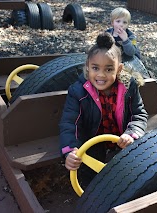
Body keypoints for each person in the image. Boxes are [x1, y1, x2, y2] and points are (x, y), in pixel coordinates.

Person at [59, 32, 148, 187]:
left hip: (121, 139)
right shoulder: (78, 91)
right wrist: (70, 150)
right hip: (92, 141)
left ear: (119, 69)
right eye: (95, 68)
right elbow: (70, 124)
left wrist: (131, 134)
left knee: (134, 168)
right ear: (88, 67)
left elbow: (138, 114)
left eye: (108, 69)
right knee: (87, 172)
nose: (101, 75)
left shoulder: (128, 87)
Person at [106, 7, 150, 77]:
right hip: (113, 60)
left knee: (137, 77)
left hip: (129, 61)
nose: (121, 24)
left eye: (124, 22)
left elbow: (132, 52)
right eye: (118, 21)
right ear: (112, 23)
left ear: (127, 25)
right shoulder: (107, 34)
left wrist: (125, 40)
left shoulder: (132, 37)